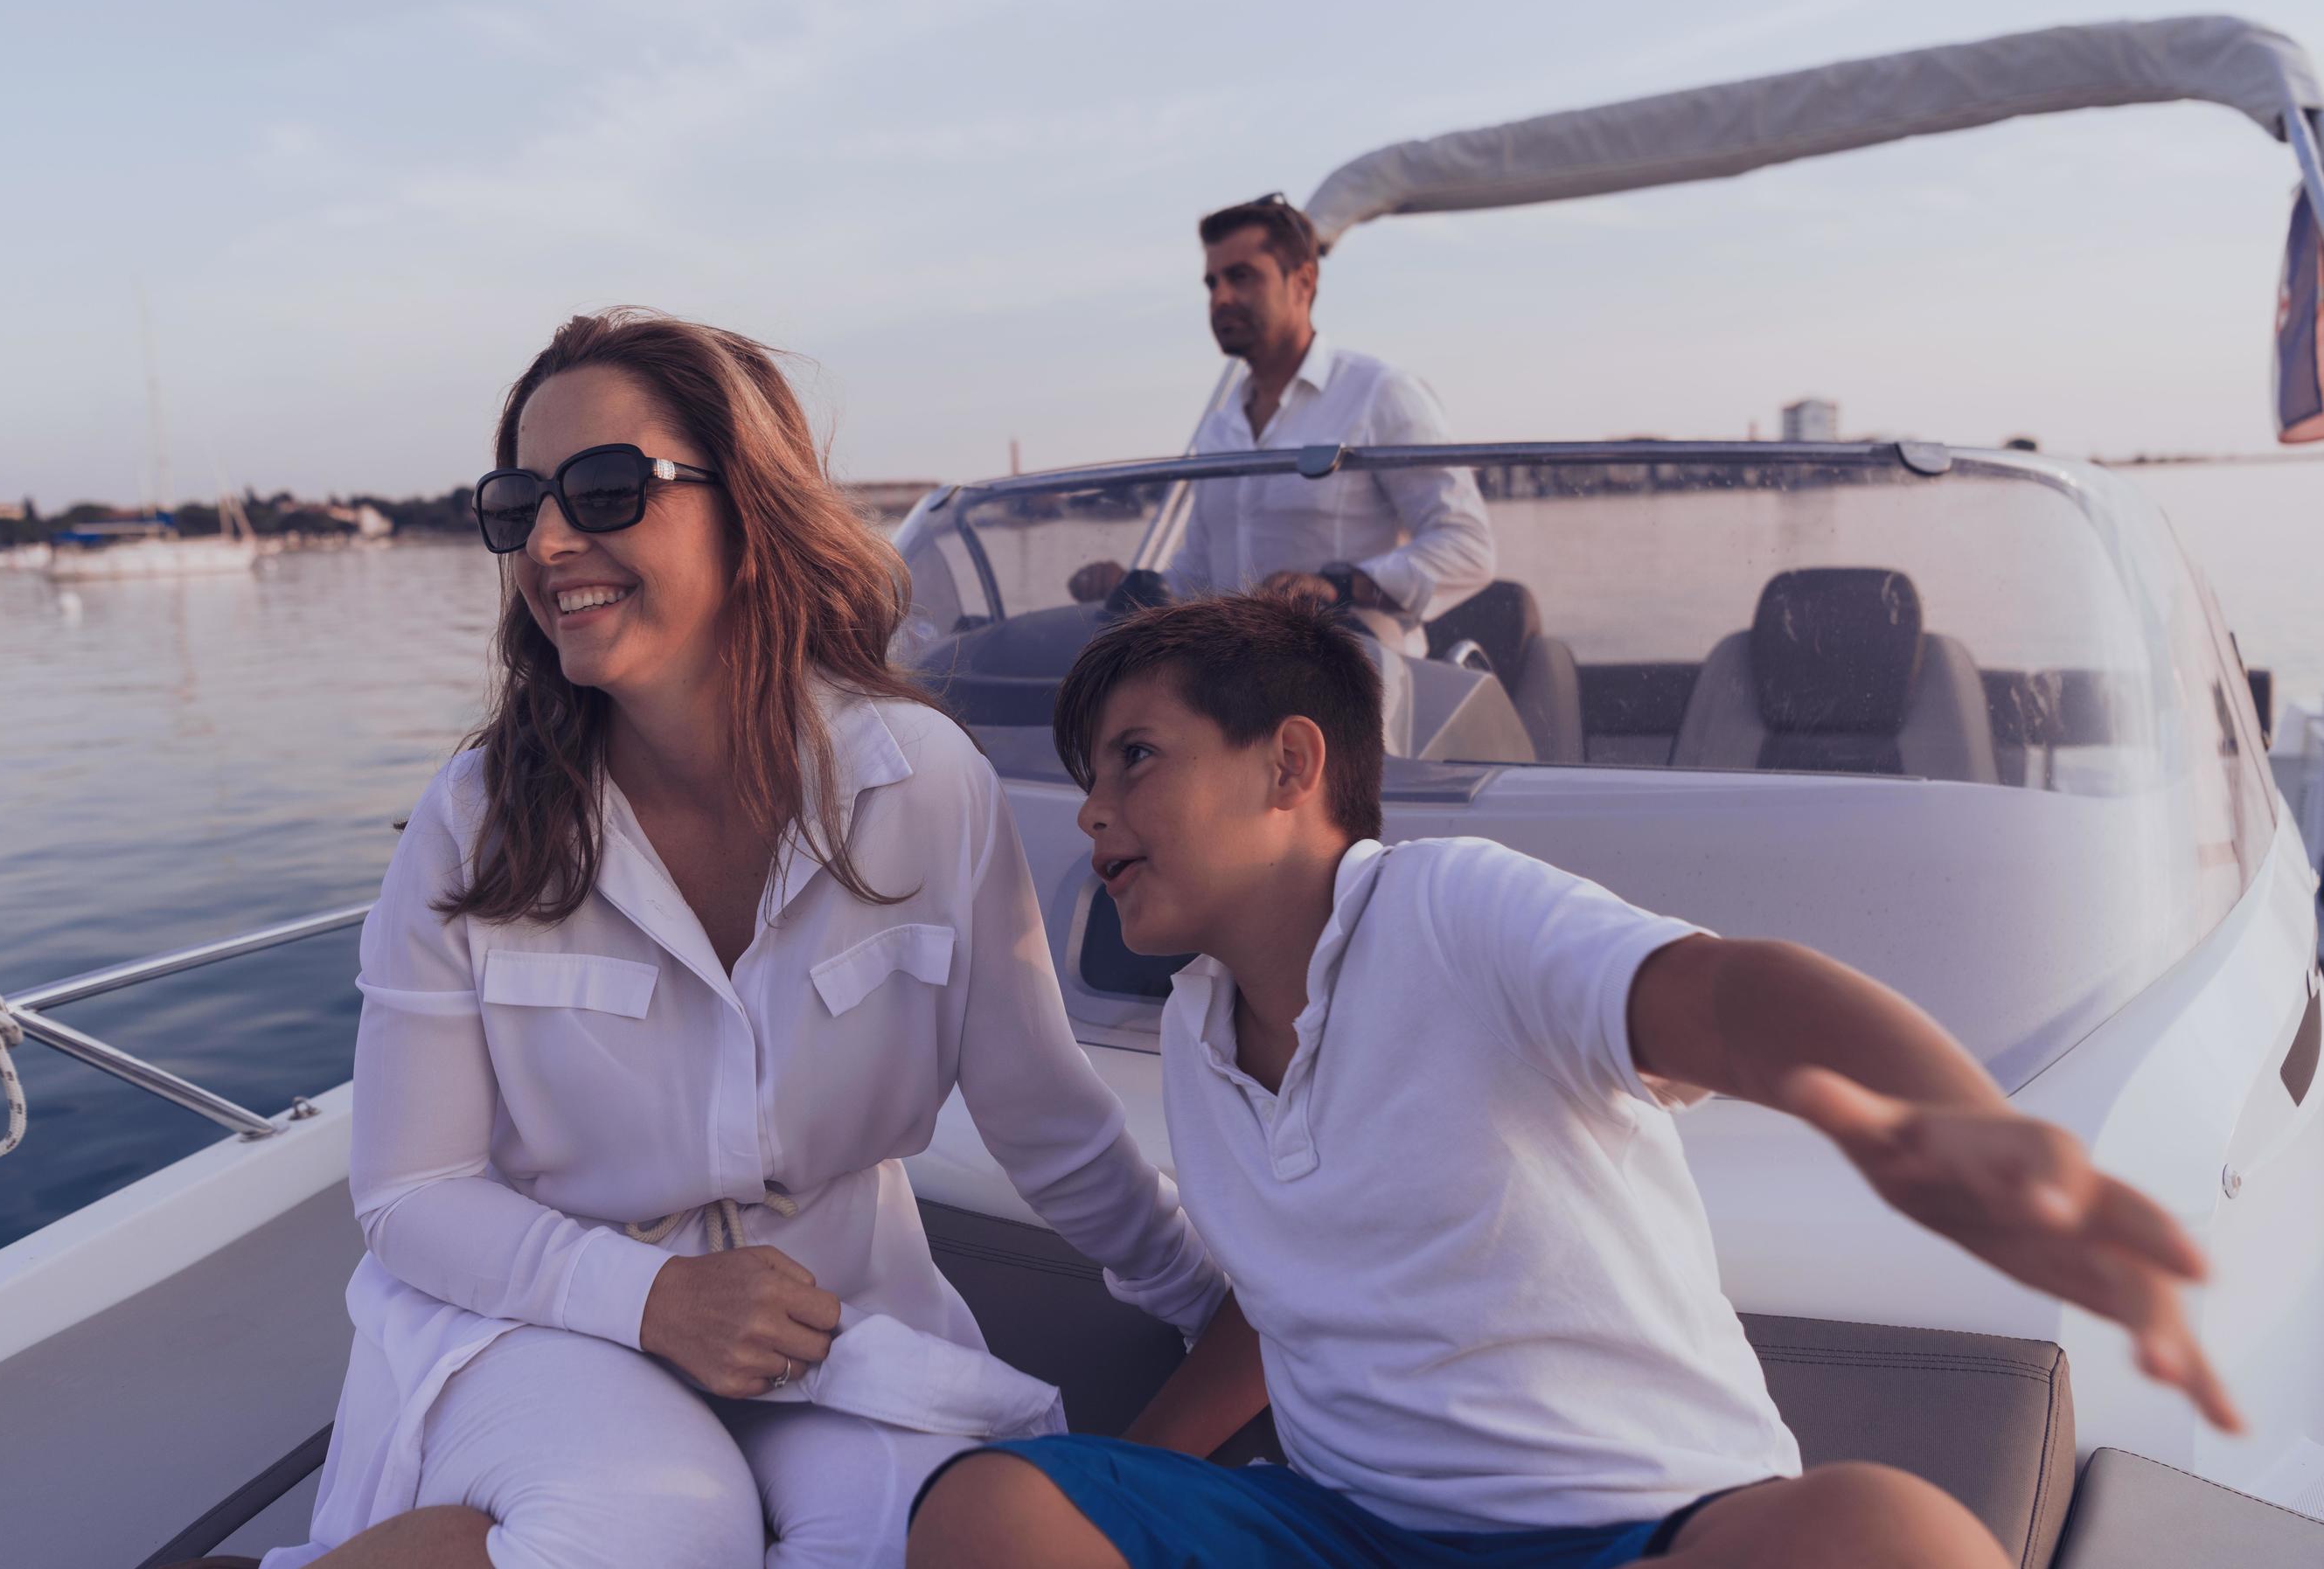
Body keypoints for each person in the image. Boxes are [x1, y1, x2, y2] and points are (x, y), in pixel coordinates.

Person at [908, 594, 2240, 1569]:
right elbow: (1282, 1308)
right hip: (1353, 1536)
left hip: (1645, 1527)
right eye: (1085, 780)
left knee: (1888, 1536)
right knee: (988, 1511)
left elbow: (1725, 997)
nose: (1091, 812)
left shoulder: (1449, 910)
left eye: (1136, 757)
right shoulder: (1199, 1039)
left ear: (1290, 765)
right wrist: (1126, 1482)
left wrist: (1948, 1124)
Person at [248, 313, 1223, 1569]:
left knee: (909, 1541)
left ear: (749, 512)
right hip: (543, 1318)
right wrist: (648, 1301)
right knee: (656, 1528)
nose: (549, 543)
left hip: (835, 1314)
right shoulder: (477, 819)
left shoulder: (922, 785)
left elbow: (1044, 1111)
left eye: (604, 491)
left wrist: (1214, 1305)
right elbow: (412, 1193)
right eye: (518, 504)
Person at [1068, 195, 1494, 655]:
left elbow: (1468, 547)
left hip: (1363, 678)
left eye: (1242, 277)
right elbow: (1202, 573)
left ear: (1303, 282)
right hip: (1236, 684)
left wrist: (1340, 586)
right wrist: (1132, 587)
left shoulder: (1380, 393)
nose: (1221, 298)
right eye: (1212, 283)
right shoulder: (1221, 426)